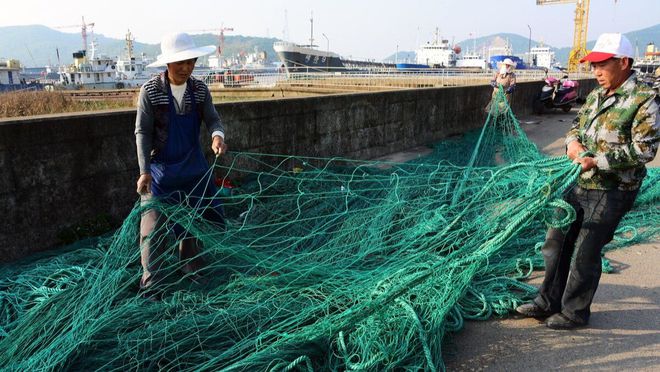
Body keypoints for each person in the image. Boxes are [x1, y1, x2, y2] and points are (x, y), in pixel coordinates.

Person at [515, 33, 660, 329]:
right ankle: (546, 301)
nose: (595, 72)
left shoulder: (644, 100)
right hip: (577, 183)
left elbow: (645, 149)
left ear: (623, 62)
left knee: (586, 250)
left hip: (612, 189)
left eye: (601, 65)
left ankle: (574, 312)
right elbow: (576, 126)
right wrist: (572, 145)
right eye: (593, 65)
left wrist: (598, 161)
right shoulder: (595, 95)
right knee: (555, 242)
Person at [135, 32, 228, 296]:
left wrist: (217, 136)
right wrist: (144, 172)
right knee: (151, 229)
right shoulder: (150, 92)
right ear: (168, 64)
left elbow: (213, 119)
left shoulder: (199, 90)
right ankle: (151, 281)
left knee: (193, 221)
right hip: (159, 172)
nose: (186, 68)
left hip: (192, 169)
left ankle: (190, 267)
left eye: (190, 62)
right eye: (180, 63)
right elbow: (142, 132)